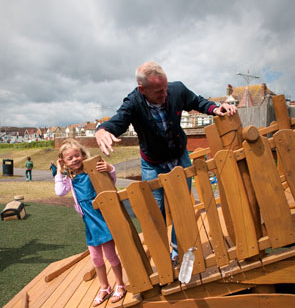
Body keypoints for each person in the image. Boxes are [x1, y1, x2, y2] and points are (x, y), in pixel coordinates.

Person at [95, 61, 237, 260]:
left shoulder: (176, 90)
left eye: (165, 88)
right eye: (158, 92)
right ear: (142, 89)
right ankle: (161, 253)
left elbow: (198, 102)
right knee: (156, 210)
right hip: (152, 164)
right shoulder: (133, 102)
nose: (164, 94)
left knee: (181, 206)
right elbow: (116, 122)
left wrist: (215, 109)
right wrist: (102, 131)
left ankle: (177, 253)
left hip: (180, 157)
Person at [55, 138, 126, 306]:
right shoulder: (69, 179)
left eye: (76, 155)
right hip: (89, 222)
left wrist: (110, 169)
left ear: (82, 154)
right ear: (64, 162)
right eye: (69, 158)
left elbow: (111, 181)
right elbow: (59, 192)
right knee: (95, 258)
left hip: (102, 219)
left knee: (110, 255)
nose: (74, 160)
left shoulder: (91, 170)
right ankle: (104, 287)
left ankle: (120, 285)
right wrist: (59, 170)